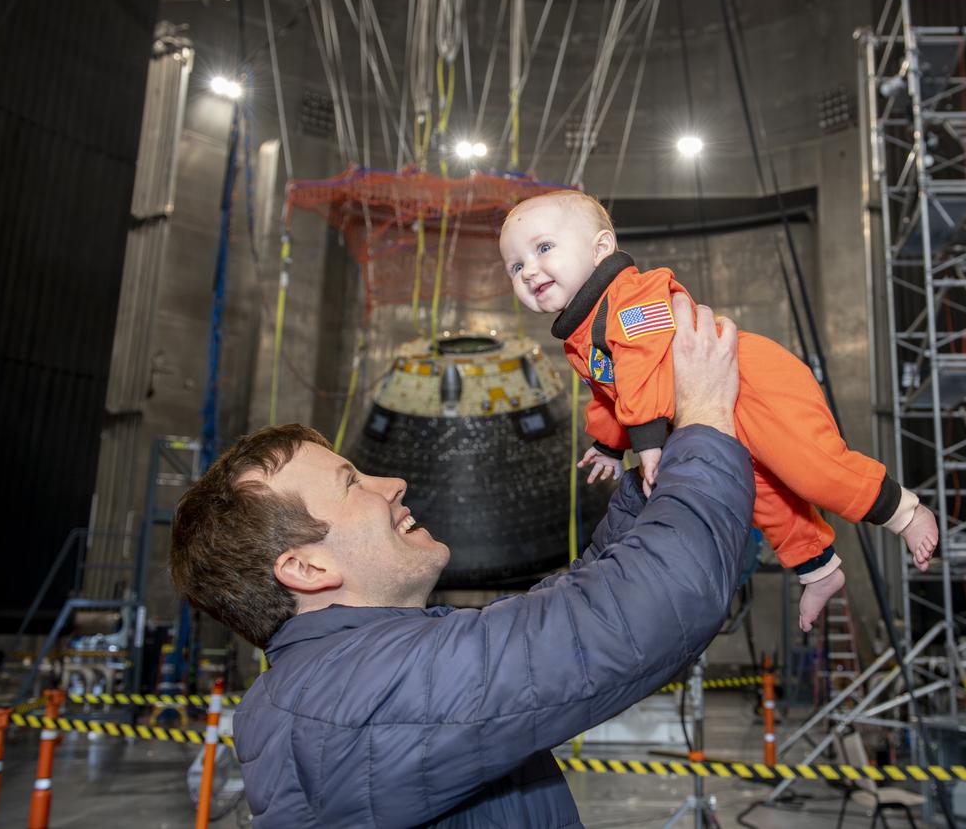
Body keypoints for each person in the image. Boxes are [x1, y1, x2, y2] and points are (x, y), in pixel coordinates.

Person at [170, 294, 753, 828]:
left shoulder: (340, 680)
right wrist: (705, 418)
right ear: (306, 570)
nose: (394, 483)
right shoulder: (365, 696)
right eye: (352, 484)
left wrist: (648, 484)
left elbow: (565, 608)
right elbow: (639, 612)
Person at [499, 190, 939, 632]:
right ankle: (820, 570)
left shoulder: (632, 293)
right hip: (707, 410)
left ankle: (905, 512)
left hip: (753, 380)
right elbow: (610, 395)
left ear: (601, 248)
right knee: (763, 497)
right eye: (516, 266)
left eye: (543, 248)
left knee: (812, 471)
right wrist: (609, 445)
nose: (529, 270)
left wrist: (647, 440)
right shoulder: (579, 334)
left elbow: (643, 357)